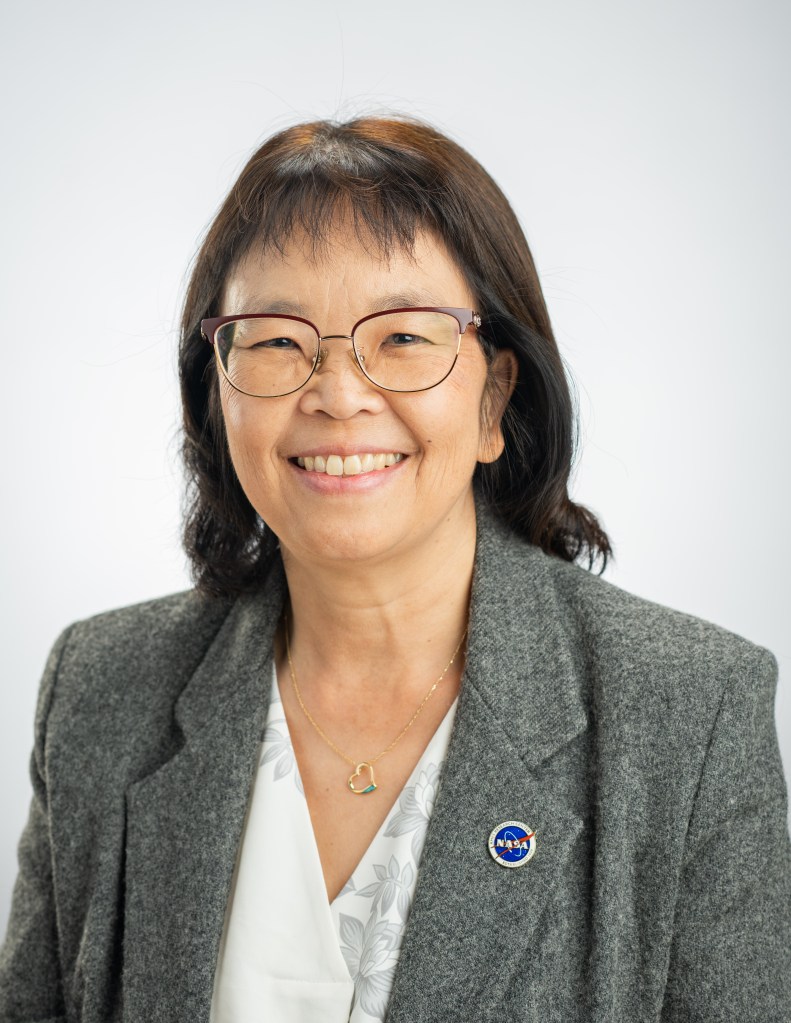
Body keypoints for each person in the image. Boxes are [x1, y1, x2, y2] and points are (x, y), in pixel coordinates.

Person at [1, 116, 789, 1023]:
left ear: (497, 395)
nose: (337, 394)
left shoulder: (686, 713)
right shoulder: (103, 691)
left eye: (404, 338)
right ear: (216, 395)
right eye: (276, 339)